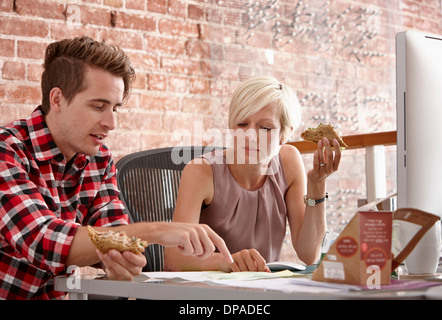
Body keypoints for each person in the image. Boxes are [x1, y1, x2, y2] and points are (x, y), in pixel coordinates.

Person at [0, 36, 232, 300]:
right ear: (57, 99)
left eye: (115, 108)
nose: (111, 123)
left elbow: (118, 238)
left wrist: (122, 262)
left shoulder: (98, 160)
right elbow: (43, 241)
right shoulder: (7, 150)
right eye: (98, 106)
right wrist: (154, 231)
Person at [165, 76, 341, 272]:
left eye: (265, 128)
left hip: (264, 290)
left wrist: (317, 185)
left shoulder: (289, 161)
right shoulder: (200, 170)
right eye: (242, 124)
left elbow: (310, 255)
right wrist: (229, 261)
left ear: (284, 134)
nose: (249, 136)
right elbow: (173, 260)